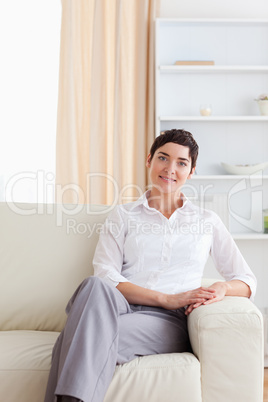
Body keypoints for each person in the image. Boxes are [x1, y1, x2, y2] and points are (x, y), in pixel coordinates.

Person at [44, 129, 257, 402]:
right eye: (163, 158)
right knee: (94, 285)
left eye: (181, 163)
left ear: (191, 172)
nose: (170, 168)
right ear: (149, 160)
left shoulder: (207, 221)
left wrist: (222, 287)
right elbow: (106, 275)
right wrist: (165, 297)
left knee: (75, 340)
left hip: (167, 322)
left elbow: (247, 279)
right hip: (117, 307)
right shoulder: (123, 215)